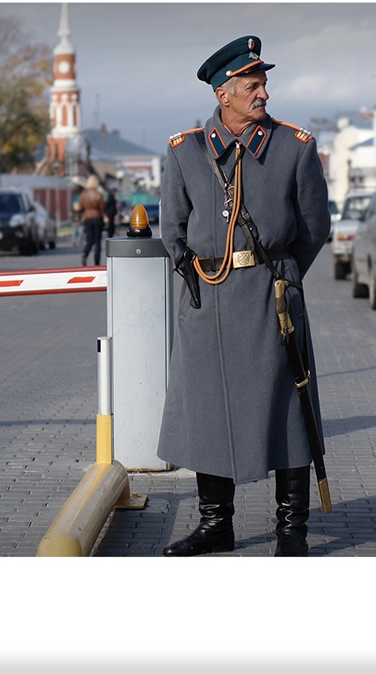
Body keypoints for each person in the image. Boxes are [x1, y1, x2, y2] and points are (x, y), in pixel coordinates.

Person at [157, 35, 330, 557]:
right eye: (253, 86)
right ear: (223, 93)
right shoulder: (185, 151)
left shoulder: (294, 147)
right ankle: (216, 526)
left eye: (264, 84)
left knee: (289, 410)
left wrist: (283, 276)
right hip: (207, 304)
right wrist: (199, 279)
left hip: (270, 302)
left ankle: (291, 532)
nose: (264, 95)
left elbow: (314, 228)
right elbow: (173, 229)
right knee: (209, 410)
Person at [79, 175, 105, 266]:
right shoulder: (99, 194)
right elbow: (102, 207)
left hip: (87, 219)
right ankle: (97, 261)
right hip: (97, 218)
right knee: (97, 241)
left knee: (89, 239)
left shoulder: (83, 194)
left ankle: (85, 253)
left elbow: (80, 207)